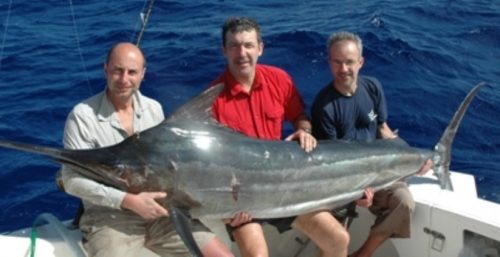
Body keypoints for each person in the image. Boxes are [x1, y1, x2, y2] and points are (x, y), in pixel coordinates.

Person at [60, 42, 234, 257]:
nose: (124, 79)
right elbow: (71, 180)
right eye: (117, 70)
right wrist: (128, 201)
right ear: (105, 69)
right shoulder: (82, 116)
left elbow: (172, 170)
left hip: (162, 212)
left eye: (132, 72)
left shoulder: (154, 109)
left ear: (143, 74)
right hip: (110, 218)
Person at [210, 17, 349, 257]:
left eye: (248, 45)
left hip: (285, 188)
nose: (242, 53)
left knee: (338, 239)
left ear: (260, 48)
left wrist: (304, 131)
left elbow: (300, 116)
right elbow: (211, 166)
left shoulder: (279, 79)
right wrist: (225, 210)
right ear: (224, 50)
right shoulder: (213, 100)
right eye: (234, 45)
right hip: (243, 199)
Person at [311, 31, 432, 257]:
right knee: (334, 240)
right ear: (329, 63)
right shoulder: (324, 106)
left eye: (349, 62)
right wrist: (356, 193)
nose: (343, 68)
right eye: (337, 62)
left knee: (403, 202)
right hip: (341, 181)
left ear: (360, 62)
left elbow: (384, 131)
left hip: (378, 172)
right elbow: (331, 162)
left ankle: (363, 254)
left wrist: (417, 158)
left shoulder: (373, 87)